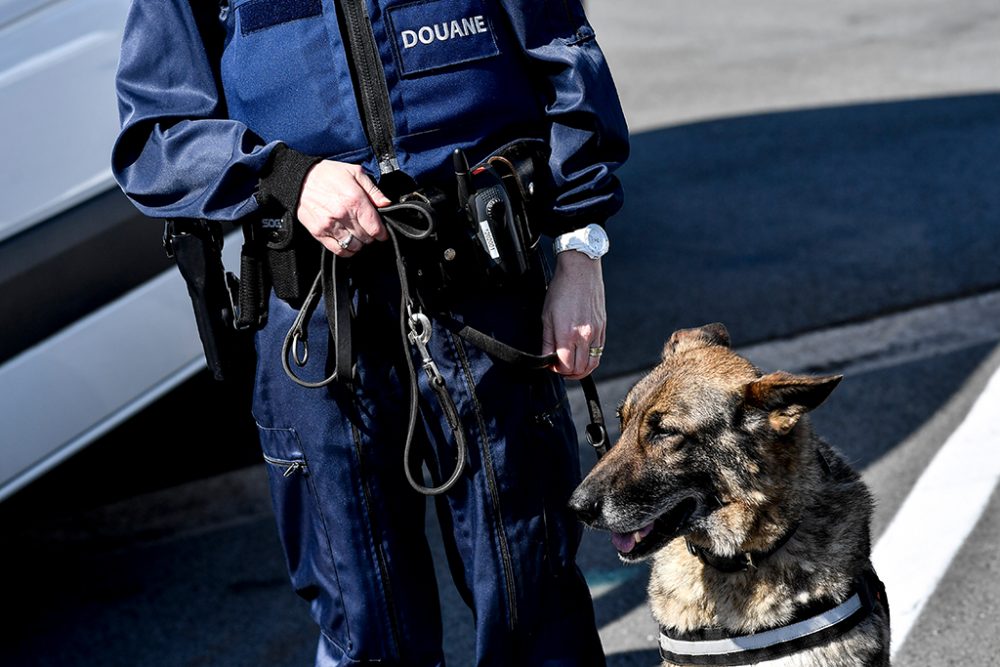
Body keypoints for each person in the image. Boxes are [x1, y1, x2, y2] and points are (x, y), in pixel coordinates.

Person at [112, 0, 629, 664]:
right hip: (316, 322)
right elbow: (152, 137)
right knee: (365, 627)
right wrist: (283, 176)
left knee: (535, 605)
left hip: (485, 291)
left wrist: (581, 250)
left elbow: (565, 55)